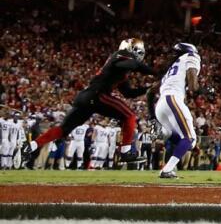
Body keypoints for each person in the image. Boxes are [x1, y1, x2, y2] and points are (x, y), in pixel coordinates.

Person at [24, 39, 154, 167]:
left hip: (86, 98)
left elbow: (128, 93)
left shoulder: (120, 72)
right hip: (97, 95)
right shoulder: (118, 57)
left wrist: (147, 88)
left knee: (63, 129)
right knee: (129, 116)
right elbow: (131, 65)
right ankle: (125, 153)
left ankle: (32, 145)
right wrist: (156, 72)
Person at [152, 42, 200, 179]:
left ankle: (164, 134)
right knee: (189, 138)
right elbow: (192, 84)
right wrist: (198, 89)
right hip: (173, 99)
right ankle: (167, 169)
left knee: (191, 142)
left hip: (161, 105)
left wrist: (152, 116)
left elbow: (150, 92)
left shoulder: (170, 69)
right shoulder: (191, 56)